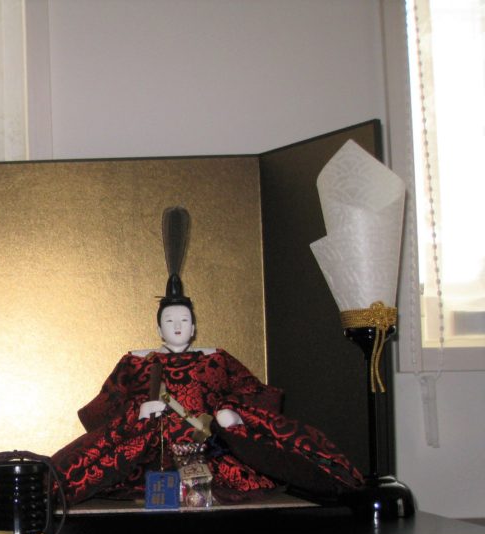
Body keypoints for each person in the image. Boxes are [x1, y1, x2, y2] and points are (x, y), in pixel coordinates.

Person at [51, 208, 363, 505]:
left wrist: (231, 411)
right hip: (152, 453)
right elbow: (104, 408)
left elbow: (251, 390)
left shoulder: (216, 360)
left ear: (194, 326)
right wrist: (138, 411)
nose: (177, 326)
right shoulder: (136, 363)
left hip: (208, 448)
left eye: (184, 320)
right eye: (169, 321)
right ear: (158, 328)